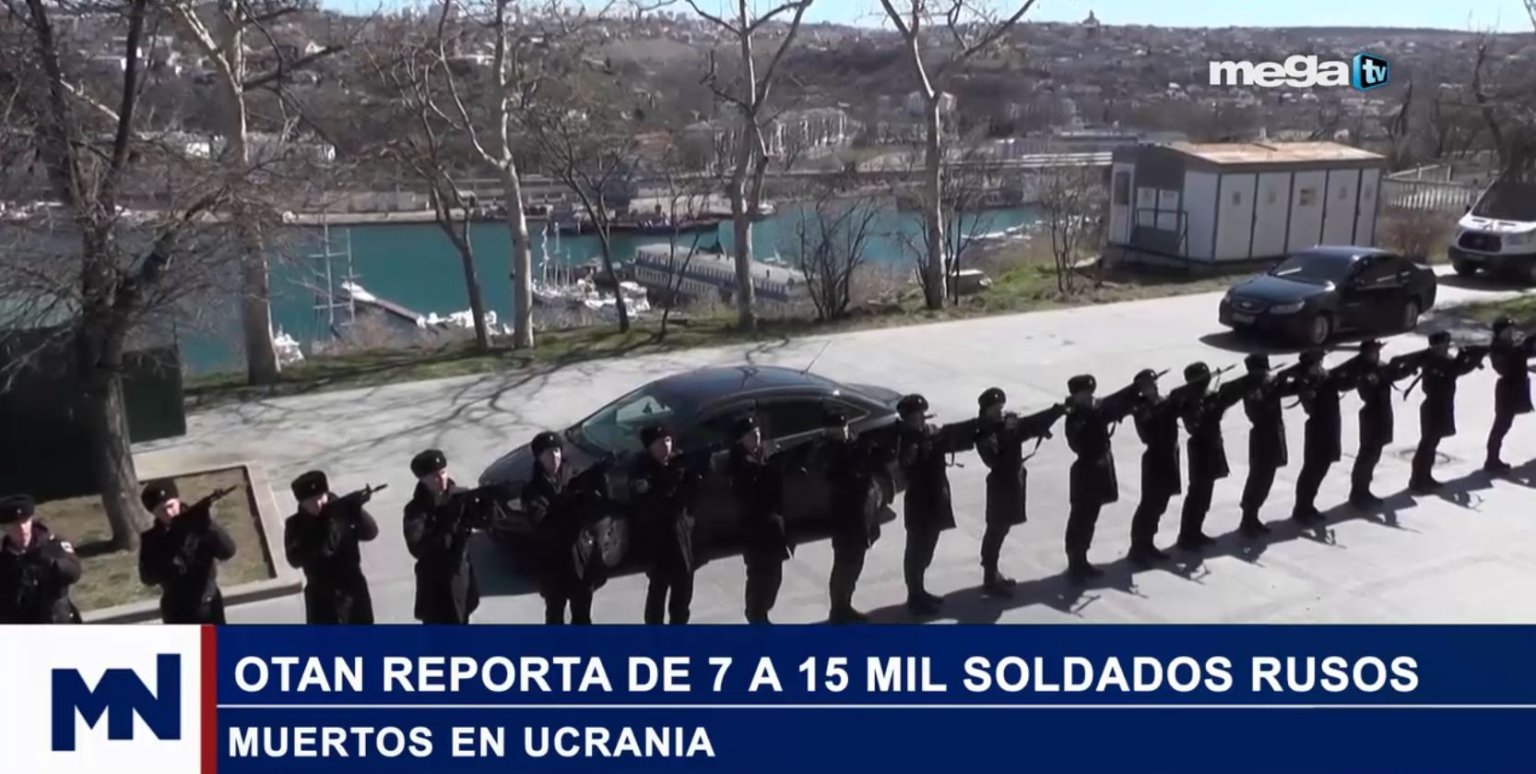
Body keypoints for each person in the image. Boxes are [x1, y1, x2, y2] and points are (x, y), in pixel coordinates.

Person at [975, 387, 1066, 593]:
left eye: (1000, 408)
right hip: (1000, 485)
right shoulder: (984, 432)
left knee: (1003, 528)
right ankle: (989, 574)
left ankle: (992, 572)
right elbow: (994, 460)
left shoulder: (1005, 426)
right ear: (985, 410)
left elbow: (1032, 425)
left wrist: (1056, 412)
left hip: (1014, 483)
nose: (999, 412)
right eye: (994, 409)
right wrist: (1009, 435)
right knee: (996, 529)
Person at [1063, 373, 1150, 579]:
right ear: (1075, 395)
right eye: (1085, 393)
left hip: (1101, 467)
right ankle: (1075, 562)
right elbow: (1078, 444)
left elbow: (1116, 408)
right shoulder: (1075, 417)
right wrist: (1095, 416)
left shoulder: (1095, 410)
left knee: (1091, 518)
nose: (1089, 397)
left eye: (1090, 392)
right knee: (1080, 519)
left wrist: (1133, 395)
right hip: (1085, 471)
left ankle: (1082, 559)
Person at [523, 431, 607, 625]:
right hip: (553, 563)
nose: (554, 457)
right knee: (555, 616)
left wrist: (593, 494)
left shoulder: (575, 477)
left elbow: (596, 513)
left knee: (582, 616)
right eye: (548, 453)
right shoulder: (533, 489)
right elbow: (541, 523)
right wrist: (568, 506)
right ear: (539, 458)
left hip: (580, 558)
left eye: (557, 451)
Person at [816, 409, 892, 622]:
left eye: (843, 428)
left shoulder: (854, 445)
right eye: (836, 430)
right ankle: (838, 608)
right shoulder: (827, 451)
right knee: (845, 564)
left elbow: (876, 462)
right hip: (845, 517)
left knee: (855, 562)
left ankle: (845, 604)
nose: (841, 433)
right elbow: (845, 476)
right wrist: (857, 454)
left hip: (862, 513)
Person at [896, 394, 965, 614]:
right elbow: (903, 465)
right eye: (913, 417)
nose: (918, 420)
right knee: (916, 551)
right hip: (918, 502)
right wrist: (915, 449)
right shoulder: (902, 440)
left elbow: (955, 440)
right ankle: (914, 595)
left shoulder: (932, 433)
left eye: (920, 415)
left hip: (936, 498)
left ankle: (920, 590)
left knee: (927, 549)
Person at [283, 470, 380, 624]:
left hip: (353, 589)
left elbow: (370, 533)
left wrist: (356, 510)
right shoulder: (295, 525)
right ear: (301, 503)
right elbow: (294, 560)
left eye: (320, 498)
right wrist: (321, 528)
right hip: (321, 596)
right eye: (311, 502)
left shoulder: (343, 511)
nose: (317, 504)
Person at [1176, 362, 1255, 550]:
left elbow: (1227, 399)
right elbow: (1194, 423)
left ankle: (1195, 531)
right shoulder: (1189, 402)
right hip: (1200, 449)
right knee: (1197, 494)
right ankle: (1187, 536)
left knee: (1205, 495)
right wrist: (1207, 403)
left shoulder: (1208, 398)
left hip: (1212, 446)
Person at [632, 425, 704, 625]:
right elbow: (645, 502)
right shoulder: (642, 469)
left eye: (668, 440)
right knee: (659, 586)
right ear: (650, 447)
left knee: (684, 585)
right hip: (657, 537)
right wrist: (668, 484)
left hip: (681, 533)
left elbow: (692, 492)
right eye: (660, 442)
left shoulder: (678, 462)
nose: (666, 446)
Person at [139, 479, 238, 624]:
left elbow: (228, 552)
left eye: (171, 506)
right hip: (176, 612)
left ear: (178, 501)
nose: (169, 513)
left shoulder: (198, 525)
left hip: (208, 607)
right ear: (154, 513)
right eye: (161, 510)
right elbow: (148, 578)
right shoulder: (151, 539)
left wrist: (208, 526)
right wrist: (169, 549)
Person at [403, 449, 482, 625]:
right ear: (422, 480)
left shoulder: (459, 496)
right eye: (434, 476)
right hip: (435, 584)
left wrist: (486, 511)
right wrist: (446, 526)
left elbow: (477, 523)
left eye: (443, 472)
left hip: (461, 576)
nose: (441, 479)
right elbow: (417, 548)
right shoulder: (416, 510)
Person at [728, 416, 792, 623]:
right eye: (750, 435)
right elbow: (749, 495)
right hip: (755, 530)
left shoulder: (766, 456)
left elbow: (778, 490)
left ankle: (762, 611)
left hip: (774, 527)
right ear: (741, 440)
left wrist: (773, 464)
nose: (755, 437)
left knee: (775, 576)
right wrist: (761, 469)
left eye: (756, 433)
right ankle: (756, 615)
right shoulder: (739, 465)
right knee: (759, 576)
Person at [1409, 332, 1488, 493]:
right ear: (1436, 346)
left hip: (1441, 406)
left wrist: (1471, 357)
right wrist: (1471, 358)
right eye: (1444, 345)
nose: (1447, 348)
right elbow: (1456, 369)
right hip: (1433, 407)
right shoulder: (1434, 360)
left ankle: (1425, 476)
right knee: (1427, 445)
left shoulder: (1440, 360)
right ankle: (1417, 481)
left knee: (1432, 445)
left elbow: (1457, 368)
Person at [1238, 354, 1304, 535]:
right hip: (1262, 437)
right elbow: (1256, 411)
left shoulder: (1268, 386)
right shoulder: (1252, 388)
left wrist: (1293, 378)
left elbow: (1292, 390)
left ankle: (1253, 517)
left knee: (1266, 478)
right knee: (1258, 478)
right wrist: (1274, 387)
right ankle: (1248, 518)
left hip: (1274, 435)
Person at [1350, 340, 1418, 507]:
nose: (1377, 354)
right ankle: (1358, 493)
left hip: (1382, 415)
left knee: (1374, 456)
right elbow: (1366, 393)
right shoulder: (1363, 370)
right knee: (1366, 457)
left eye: (1377, 351)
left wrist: (1409, 368)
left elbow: (1395, 374)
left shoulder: (1379, 368)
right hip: (1371, 416)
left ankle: (1364, 491)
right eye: (1373, 352)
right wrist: (1376, 378)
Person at [1291, 349, 1357, 523]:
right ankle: (1301, 508)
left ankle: (1308, 505)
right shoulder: (1305, 382)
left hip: (1331, 427)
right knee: (1311, 470)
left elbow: (1345, 384)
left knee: (1322, 468)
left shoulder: (1326, 378)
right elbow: (1309, 406)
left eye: (1320, 362)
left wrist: (1354, 375)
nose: (1320, 366)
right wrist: (1314, 388)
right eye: (1317, 363)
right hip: (1317, 430)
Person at [0, 494, 82, 624]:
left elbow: (74, 571)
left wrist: (51, 565)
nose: (22, 529)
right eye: (14, 525)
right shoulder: (4, 558)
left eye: (25, 521)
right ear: (4, 528)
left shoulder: (52, 544)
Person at [1129, 369, 1182, 565]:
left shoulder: (1166, 401)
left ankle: (1148, 542)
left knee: (1160, 503)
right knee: (1148, 505)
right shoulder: (1141, 408)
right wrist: (1160, 409)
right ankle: (1137, 548)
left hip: (1170, 455)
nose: (1153, 386)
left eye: (1153, 383)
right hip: (1155, 457)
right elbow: (1145, 434)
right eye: (1147, 385)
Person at [1485, 317, 1534, 473]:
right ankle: (1492, 460)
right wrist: (1522, 347)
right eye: (1507, 330)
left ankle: (1493, 459)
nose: (1511, 332)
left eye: (1512, 330)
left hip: (1516, 388)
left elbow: (1527, 352)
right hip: (1507, 390)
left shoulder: (1511, 346)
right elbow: (1504, 367)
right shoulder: (1498, 348)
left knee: (1504, 425)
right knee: (1501, 426)